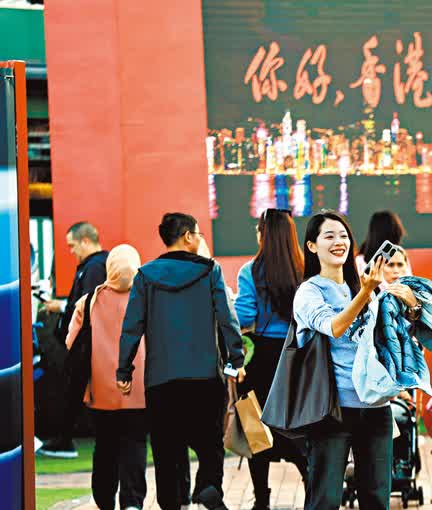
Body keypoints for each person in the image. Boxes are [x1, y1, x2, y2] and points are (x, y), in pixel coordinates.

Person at [117, 212, 246, 510]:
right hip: (205, 379)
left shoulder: (145, 276)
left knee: (167, 453)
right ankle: (209, 486)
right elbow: (228, 319)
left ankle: (171, 503)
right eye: (198, 233)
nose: (200, 238)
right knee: (210, 445)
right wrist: (235, 357)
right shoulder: (210, 271)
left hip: (161, 381)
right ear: (187, 236)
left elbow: (131, 326)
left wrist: (124, 369)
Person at [294, 210, 419, 510]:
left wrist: (411, 308)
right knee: (326, 499)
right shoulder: (309, 292)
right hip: (333, 408)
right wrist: (365, 292)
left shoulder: (362, 289)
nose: (339, 241)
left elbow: (383, 341)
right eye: (329, 236)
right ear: (312, 246)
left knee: (377, 499)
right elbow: (334, 327)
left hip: (376, 407)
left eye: (343, 235)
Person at [234, 208, 309, 509]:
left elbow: (245, 316)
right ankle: (312, 491)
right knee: (299, 426)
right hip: (298, 355)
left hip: (261, 357)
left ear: (263, 234)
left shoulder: (249, 271)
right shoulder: (306, 270)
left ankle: (261, 499)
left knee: (257, 430)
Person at [65, 245, 147, 510]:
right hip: (138, 390)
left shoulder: (89, 301)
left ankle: (104, 500)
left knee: (105, 446)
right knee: (135, 444)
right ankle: (133, 502)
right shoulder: (147, 298)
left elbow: (70, 343)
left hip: (101, 392)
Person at [39, 222, 110, 458]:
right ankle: (64, 438)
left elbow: (87, 305)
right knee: (75, 391)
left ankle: (64, 440)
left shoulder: (93, 268)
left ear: (86, 241)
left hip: (87, 344)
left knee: (75, 391)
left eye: (72, 246)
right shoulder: (96, 266)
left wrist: (62, 308)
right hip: (89, 344)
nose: (71, 251)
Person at [356, 210, 413, 277]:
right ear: (395, 231)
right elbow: (409, 280)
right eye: (391, 265)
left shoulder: (360, 259)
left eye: (400, 265)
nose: (396, 270)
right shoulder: (399, 253)